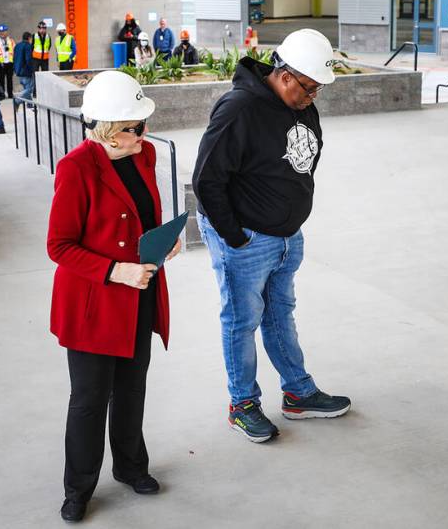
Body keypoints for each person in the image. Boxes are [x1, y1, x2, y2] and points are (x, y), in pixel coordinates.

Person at [192, 28, 351, 444]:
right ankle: (242, 404)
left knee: (280, 314)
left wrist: (289, 215)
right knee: (241, 321)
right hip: (246, 240)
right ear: (284, 76)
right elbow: (207, 180)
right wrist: (235, 237)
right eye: (309, 88)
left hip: (286, 237)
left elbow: (302, 162)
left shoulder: (299, 104)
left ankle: (298, 393)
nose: (313, 97)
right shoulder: (238, 109)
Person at [47, 70, 180, 523]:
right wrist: (114, 270)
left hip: (138, 296)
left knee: (131, 390)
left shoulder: (143, 157)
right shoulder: (76, 168)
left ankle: (130, 467)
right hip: (94, 304)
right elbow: (59, 246)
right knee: (88, 399)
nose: (143, 132)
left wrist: (165, 242)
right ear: (107, 129)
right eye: (134, 127)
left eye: (143, 124)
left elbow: (141, 220)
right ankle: (78, 488)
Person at [0, 23, 15, 99]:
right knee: (1, 80)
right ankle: (2, 94)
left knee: (10, 79)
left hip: (9, 62)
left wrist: (13, 61)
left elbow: (14, 51)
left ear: (7, 31)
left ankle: (10, 94)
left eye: (4, 31)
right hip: (1, 63)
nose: (2, 33)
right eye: (1, 31)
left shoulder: (11, 40)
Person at [13, 31, 36, 102]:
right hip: (26, 71)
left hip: (18, 71)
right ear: (29, 38)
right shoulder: (27, 46)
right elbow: (28, 59)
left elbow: (14, 58)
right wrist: (32, 69)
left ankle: (29, 104)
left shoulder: (17, 45)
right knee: (30, 89)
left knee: (26, 87)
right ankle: (17, 100)